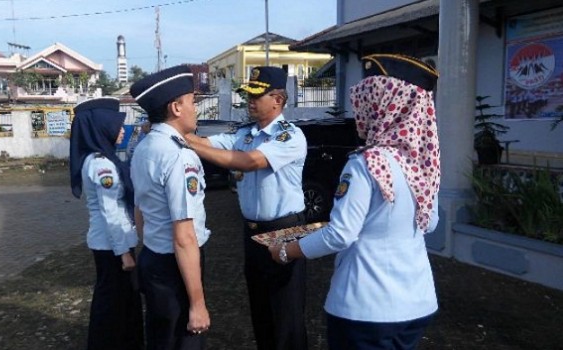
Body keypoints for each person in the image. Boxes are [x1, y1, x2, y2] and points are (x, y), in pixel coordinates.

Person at [268, 54, 441, 350]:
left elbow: (341, 233)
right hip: (417, 302)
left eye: (368, 99)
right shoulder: (423, 162)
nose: (360, 108)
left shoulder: (366, 164)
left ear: (385, 107)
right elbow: (431, 222)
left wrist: (286, 251)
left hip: (366, 306)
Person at [185, 66, 308, 350]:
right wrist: (178, 134)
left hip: (284, 230)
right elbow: (207, 145)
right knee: (261, 308)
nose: (250, 102)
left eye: (257, 96)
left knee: (286, 313)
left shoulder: (290, 137)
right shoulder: (245, 134)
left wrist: (186, 139)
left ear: (277, 99)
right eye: (247, 95)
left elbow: (250, 162)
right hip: (252, 231)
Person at [129, 65, 211, 350]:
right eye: (192, 102)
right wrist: (197, 303)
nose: (195, 109)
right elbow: (184, 236)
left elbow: (139, 212)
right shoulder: (178, 156)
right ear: (176, 107)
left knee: (160, 340)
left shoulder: (144, 147)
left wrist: (151, 245)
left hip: (153, 257)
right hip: (178, 266)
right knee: (184, 341)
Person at [69, 97, 143, 350]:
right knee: (113, 303)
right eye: (117, 125)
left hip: (109, 242)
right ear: (102, 127)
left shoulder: (96, 159)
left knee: (116, 301)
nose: (123, 129)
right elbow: (111, 212)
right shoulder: (102, 165)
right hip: (113, 246)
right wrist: (124, 254)